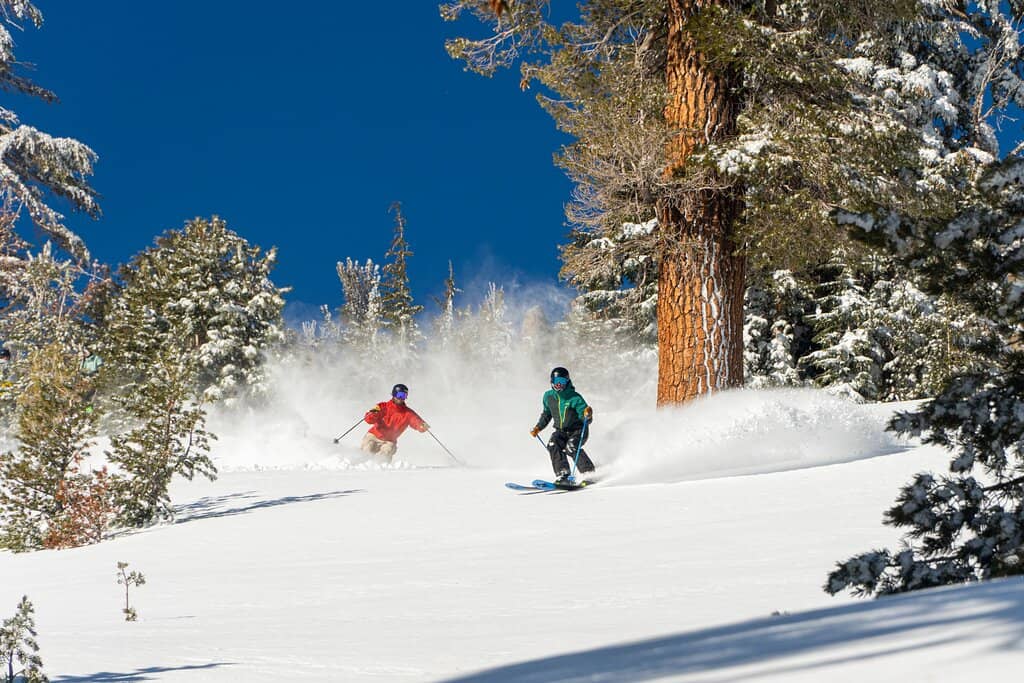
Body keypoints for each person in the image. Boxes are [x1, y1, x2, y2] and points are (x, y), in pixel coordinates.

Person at [530, 367, 595, 483]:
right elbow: (546, 414)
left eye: (562, 382)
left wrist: (587, 415)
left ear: (567, 381)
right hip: (561, 431)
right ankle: (563, 474)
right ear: (552, 382)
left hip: (578, 430)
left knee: (571, 447)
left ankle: (588, 472)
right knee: (553, 444)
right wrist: (538, 428)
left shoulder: (574, 397)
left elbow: (585, 415)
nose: (559, 385)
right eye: (556, 382)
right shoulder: (548, 396)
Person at [360, 383, 429, 461]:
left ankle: (380, 467)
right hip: (374, 436)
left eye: (404, 396)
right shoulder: (382, 406)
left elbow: (416, 421)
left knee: (387, 451)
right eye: (399, 395)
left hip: (389, 441)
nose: (401, 398)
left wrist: (422, 425)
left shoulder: (408, 413)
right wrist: (372, 415)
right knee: (368, 448)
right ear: (394, 394)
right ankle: (359, 463)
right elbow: (368, 419)